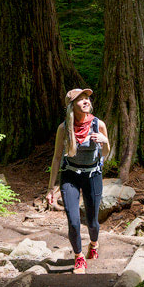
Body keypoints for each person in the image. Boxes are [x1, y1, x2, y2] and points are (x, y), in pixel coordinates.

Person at [47, 88, 110, 273]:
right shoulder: (63, 127)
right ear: (72, 105)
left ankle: (94, 243)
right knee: (73, 221)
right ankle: (79, 257)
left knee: (92, 222)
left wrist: (104, 140)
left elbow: (105, 154)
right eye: (80, 99)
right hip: (70, 176)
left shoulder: (99, 124)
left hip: (92, 175)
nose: (85, 101)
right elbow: (57, 158)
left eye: (87, 98)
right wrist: (51, 188)